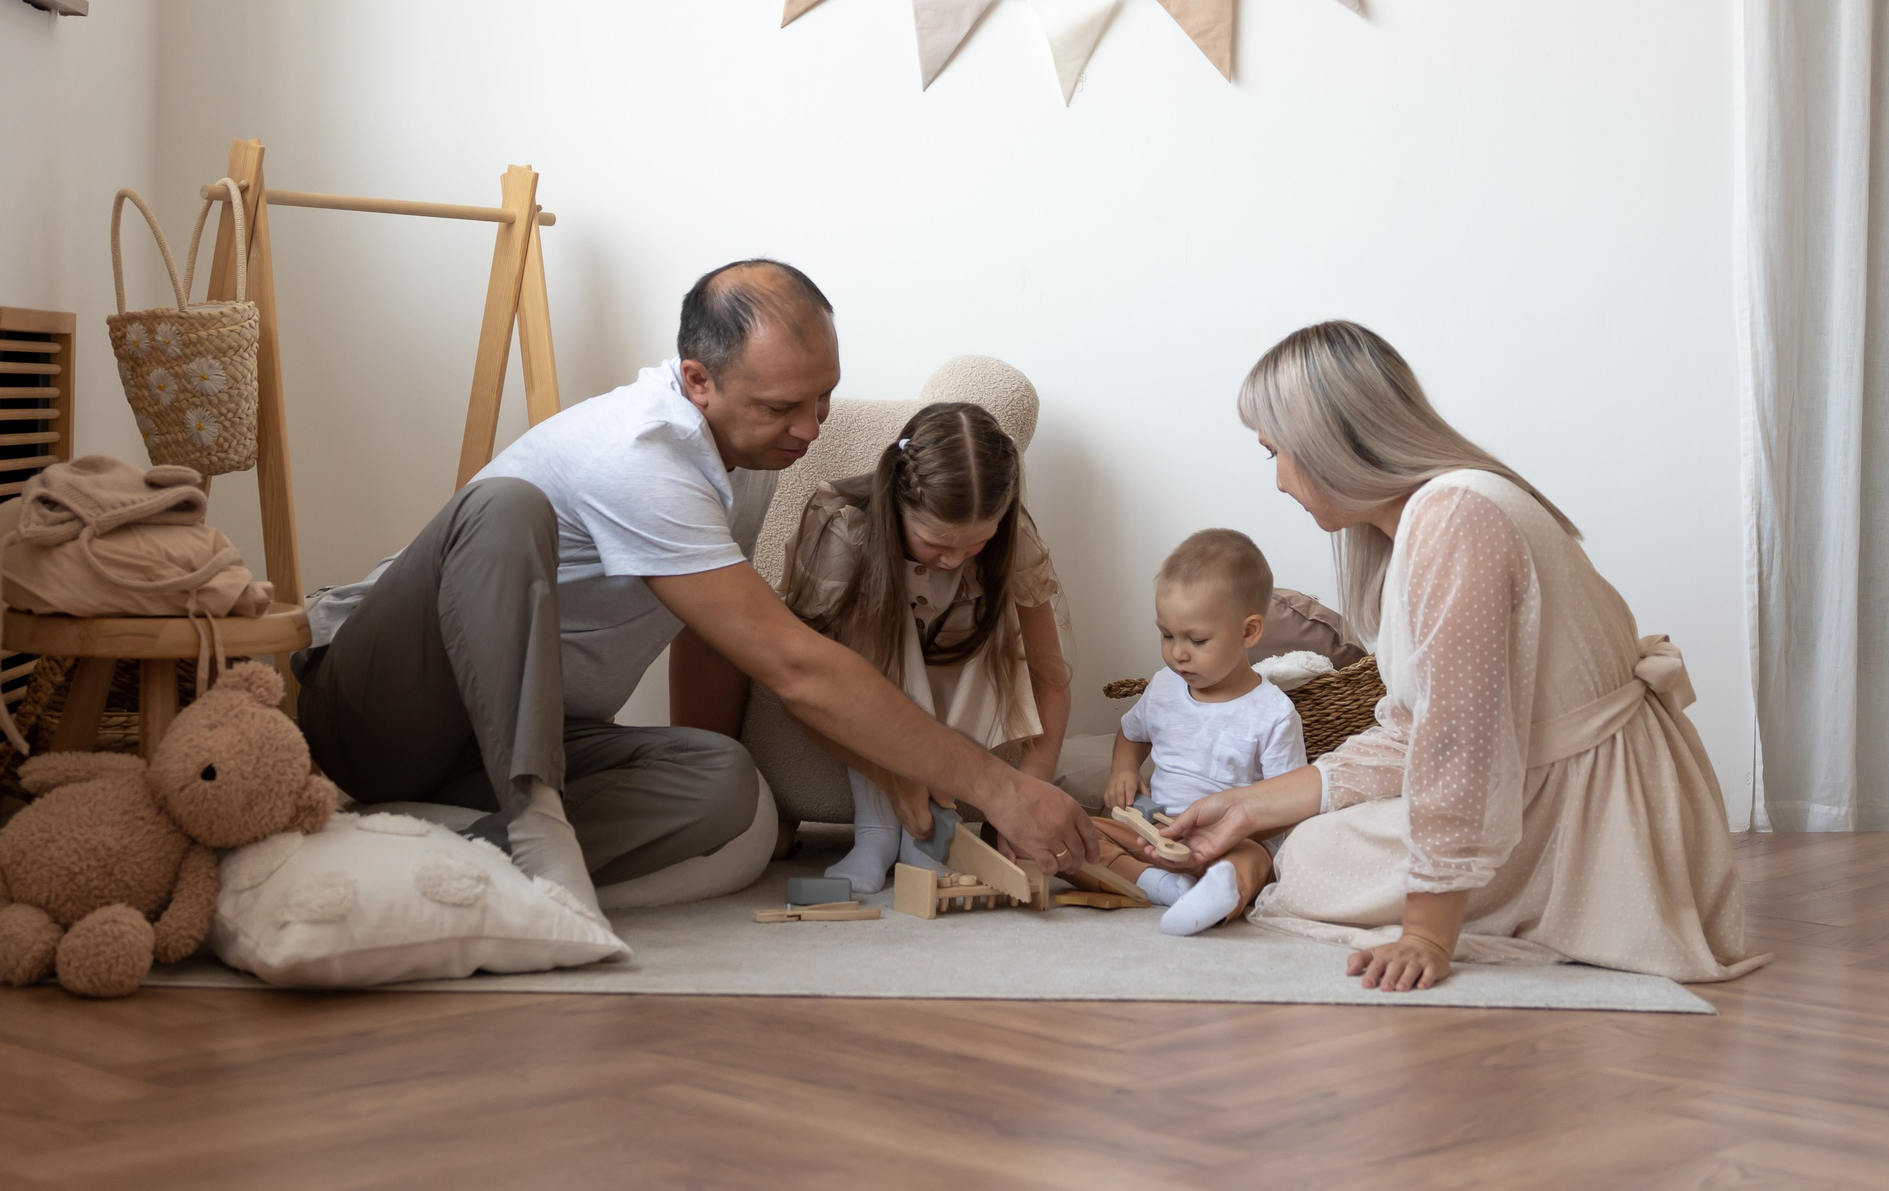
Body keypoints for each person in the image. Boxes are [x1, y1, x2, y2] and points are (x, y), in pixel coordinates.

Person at [290, 261, 1099, 907]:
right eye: (785, 406)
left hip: (519, 739)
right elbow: (798, 667)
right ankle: (534, 830)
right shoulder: (640, 455)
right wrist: (1003, 788)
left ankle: (433, 852)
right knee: (505, 508)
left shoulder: (742, 464)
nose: (811, 430)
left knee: (728, 787)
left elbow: (718, 642)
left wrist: (709, 751)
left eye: (824, 399)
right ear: (698, 379)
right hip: (379, 711)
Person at [1155, 321, 1767, 992]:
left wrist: (1426, 931)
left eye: (1277, 452)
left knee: (1308, 861)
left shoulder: (1453, 518)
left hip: (1584, 810)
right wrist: (1247, 805)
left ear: (1330, 442)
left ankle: (1526, 904)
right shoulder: (1440, 510)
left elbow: (1459, 741)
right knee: (1309, 836)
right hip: (1566, 780)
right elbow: (1414, 733)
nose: (1277, 479)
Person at [754, 401, 1073, 893]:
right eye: (935, 543)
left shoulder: (1013, 540)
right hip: (868, 675)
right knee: (869, 628)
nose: (953, 560)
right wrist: (890, 771)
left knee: (993, 618)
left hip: (964, 666)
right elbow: (808, 680)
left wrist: (1033, 790)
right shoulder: (846, 529)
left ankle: (927, 843)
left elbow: (1050, 674)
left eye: (975, 544)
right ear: (899, 507)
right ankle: (876, 833)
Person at [1094, 529, 1307, 936]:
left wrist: (1229, 835)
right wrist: (1123, 770)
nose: (1178, 652)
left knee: (1253, 861)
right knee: (1079, 834)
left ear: (1248, 632)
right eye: (1167, 635)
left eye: (1197, 639)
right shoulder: (1164, 687)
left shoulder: (1273, 713)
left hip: (1231, 841)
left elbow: (1287, 804)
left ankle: (1217, 892)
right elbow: (1133, 734)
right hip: (1152, 833)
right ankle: (1165, 888)